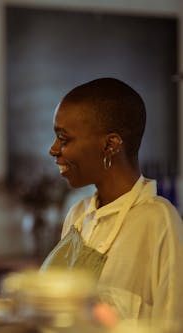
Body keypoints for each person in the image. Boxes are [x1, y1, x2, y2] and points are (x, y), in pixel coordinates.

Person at [41, 78, 183, 322]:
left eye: (64, 139)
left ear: (110, 145)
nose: (53, 150)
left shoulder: (158, 222)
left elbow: (172, 322)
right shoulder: (78, 215)